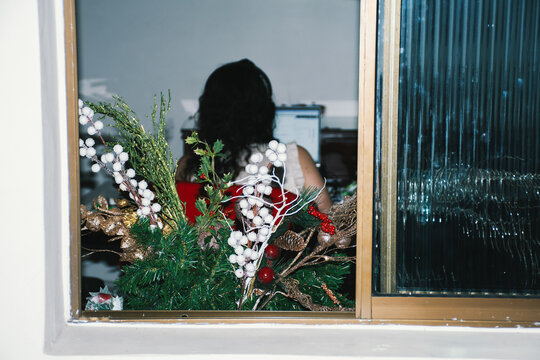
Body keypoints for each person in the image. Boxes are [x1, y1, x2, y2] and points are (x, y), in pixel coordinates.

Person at [175, 59, 332, 211]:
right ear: (265, 112)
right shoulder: (294, 157)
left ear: (208, 112)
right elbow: (328, 224)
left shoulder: (187, 165)